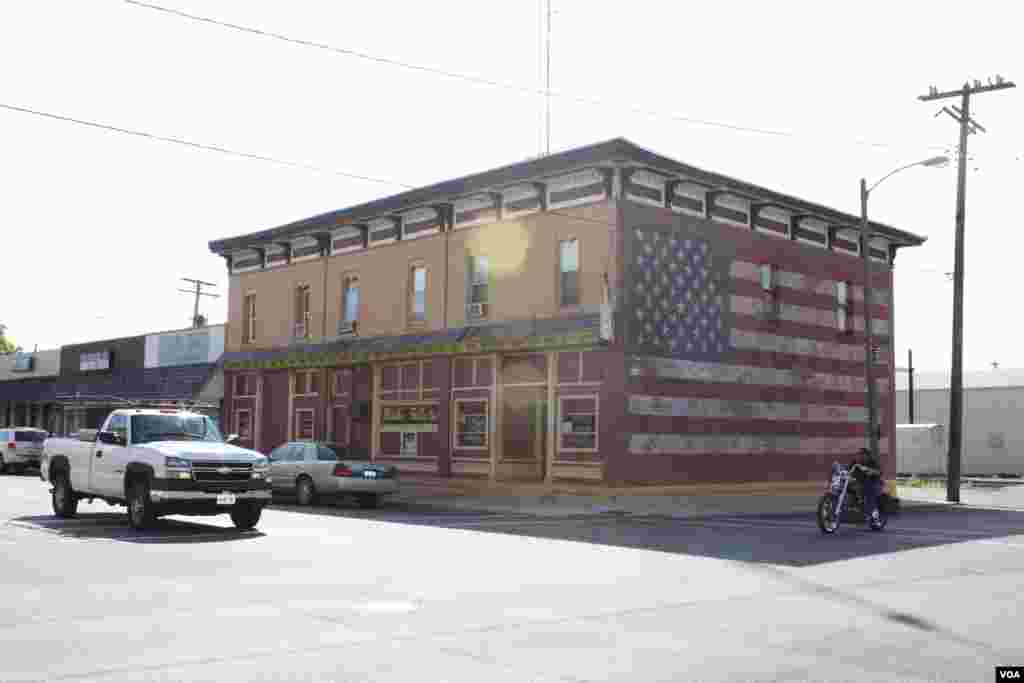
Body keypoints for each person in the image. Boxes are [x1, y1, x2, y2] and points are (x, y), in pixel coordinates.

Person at [851, 447, 882, 521]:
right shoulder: (855, 462)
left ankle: (870, 513)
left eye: (862, 454)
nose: (860, 456)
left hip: (872, 483)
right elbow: (848, 469)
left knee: (868, 491)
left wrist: (871, 471)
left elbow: (879, 472)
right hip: (858, 483)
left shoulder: (872, 462)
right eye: (859, 454)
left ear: (867, 455)